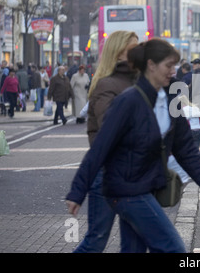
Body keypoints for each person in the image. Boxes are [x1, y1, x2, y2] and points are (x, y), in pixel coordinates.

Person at [66, 38, 200, 253]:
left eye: (174, 66)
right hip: (126, 190)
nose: (173, 71)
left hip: (145, 186)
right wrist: (77, 192)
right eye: (168, 66)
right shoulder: (129, 101)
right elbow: (100, 148)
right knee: (172, 248)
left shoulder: (167, 100)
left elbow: (184, 145)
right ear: (151, 65)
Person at [73, 30, 139, 253]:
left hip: (130, 174)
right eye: (133, 50)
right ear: (118, 54)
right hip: (108, 174)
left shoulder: (132, 82)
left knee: (134, 242)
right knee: (96, 241)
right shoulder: (107, 86)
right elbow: (109, 130)